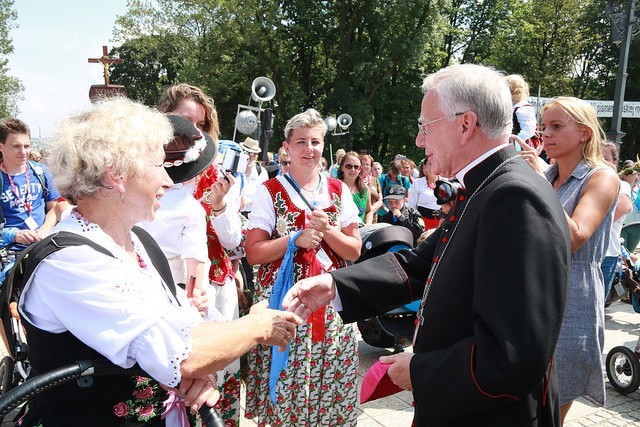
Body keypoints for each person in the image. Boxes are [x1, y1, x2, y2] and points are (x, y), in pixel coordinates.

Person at [282, 64, 571, 426]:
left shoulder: (513, 197)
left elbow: (514, 355)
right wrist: (335, 285)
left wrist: (420, 370)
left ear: (465, 124)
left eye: (424, 126)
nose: (419, 141)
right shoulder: (486, 185)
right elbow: (423, 265)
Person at [16, 98, 302, 426]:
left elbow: (187, 326)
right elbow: (184, 353)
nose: (168, 180)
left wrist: (203, 375)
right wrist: (258, 325)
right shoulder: (69, 263)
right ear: (116, 175)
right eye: (158, 165)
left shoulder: (138, 242)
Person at [244, 109, 361, 426]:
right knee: (288, 387)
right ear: (287, 147)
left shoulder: (339, 190)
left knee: (330, 382)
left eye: (315, 141)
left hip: (330, 303)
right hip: (288, 303)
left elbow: (354, 250)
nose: (309, 149)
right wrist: (293, 239)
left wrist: (328, 232)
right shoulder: (270, 191)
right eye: (301, 142)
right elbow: (253, 253)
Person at [518, 96, 619, 424]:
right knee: (522, 403)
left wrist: (534, 181)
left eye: (557, 126)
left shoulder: (602, 178)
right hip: (532, 295)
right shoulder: (546, 175)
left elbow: (575, 237)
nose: (545, 134)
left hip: (572, 296)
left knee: (548, 413)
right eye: (544, 126)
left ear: (585, 133)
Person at [158, 83, 244, 424]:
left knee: (219, 369)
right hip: (164, 290)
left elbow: (233, 240)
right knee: (172, 375)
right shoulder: (147, 170)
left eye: (200, 125)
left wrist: (220, 205)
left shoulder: (217, 172)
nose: (191, 131)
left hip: (215, 289)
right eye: (183, 120)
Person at [0, 118, 60, 248]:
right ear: (1, 147)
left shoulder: (41, 172)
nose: (23, 152)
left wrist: (45, 230)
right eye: (16, 146)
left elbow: (54, 209)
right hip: (10, 252)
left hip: (41, 247)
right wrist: (13, 235)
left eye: (26, 146)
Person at [600, 141, 632, 298]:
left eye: (605, 158)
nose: (600, 161)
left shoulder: (622, 186)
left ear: (614, 162)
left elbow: (623, 207)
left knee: (595, 304)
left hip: (606, 255)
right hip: (582, 255)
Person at [504, 74, 542, 154]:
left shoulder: (523, 108)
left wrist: (515, 142)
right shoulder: (514, 107)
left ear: (513, 91)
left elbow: (528, 130)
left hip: (523, 148)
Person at [338, 150, 373, 224]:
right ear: (342, 168)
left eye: (356, 167)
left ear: (360, 169)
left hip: (362, 231)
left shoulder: (365, 189)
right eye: (349, 166)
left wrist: (368, 225)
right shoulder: (334, 188)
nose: (353, 170)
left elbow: (369, 211)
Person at [407, 157, 441, 230]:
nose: (433, 165)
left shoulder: (445, 182)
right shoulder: (418, 183)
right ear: (425, 168)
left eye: (435, 162)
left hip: (441, 221)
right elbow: (411, 205)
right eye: (430, 163)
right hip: (423, 221)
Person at [620, 159, 640, 252]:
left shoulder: (637, 190)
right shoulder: (619, 187)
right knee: (624, 254)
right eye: (628, 170)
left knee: (630, 254)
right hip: (623, 226)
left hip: (636, 226)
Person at [360, 153, 383, 223]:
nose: (364, 166)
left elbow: (380, 200)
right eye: (362, 164)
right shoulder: (355, 180)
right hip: (359, 218)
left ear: (370, 167)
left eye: (367, 164)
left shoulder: (375, 180)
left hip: (373, 218)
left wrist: (372, 209)